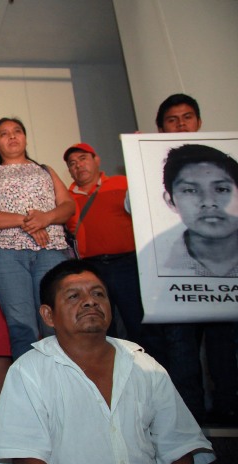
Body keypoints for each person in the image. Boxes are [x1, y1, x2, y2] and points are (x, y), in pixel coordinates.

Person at [0, 260, 215, 464]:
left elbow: (178, 450)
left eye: (98, 294)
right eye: (74, 296)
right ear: (48, 315)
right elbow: (26, 458)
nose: (90, 301)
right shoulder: (28, 370)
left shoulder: (145, 365)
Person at [152, 95, 238, 423]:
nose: (181, 124)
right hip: (173, 278)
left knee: (224, 346)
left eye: (187, 117)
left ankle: (229, 408)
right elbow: (136, 210)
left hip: (225, 280)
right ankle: (190, 416)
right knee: (181, 349)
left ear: (199, 122)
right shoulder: (148, 168)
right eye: (172, 120)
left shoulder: (222, 159)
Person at [0, 118, 74, 360]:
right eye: (4, 134)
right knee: (22, 329)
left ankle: (64, 390)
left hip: (50, 249)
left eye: (17, 131)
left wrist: (46, 218)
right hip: (6, 255)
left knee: (56, 325)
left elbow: (68, 206)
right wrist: (27, 221)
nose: (12, 136)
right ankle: (31, 394)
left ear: (25, 138)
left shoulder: (46, 171)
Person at [63, 143, 155, 348]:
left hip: (127, 264)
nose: (78, 165)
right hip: (90, 270)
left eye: (83, 159)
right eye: (72, 163)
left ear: (97, 160)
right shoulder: (64, 198)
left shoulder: (122, 183)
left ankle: (152, 375)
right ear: (69, 171)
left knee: (140, 324)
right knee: (102, 327)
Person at [157, 143, 238, 276]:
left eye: (221, 189)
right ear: (170, 201)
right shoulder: (155, 261)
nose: (208, 202)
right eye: (190, 190)